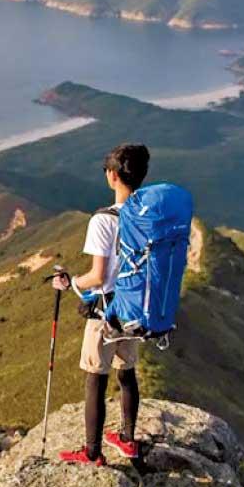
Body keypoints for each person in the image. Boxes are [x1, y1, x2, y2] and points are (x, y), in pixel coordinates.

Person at [50, 143, 150, 465]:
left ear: (113, 175)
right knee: (127, 374)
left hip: (106, 312)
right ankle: (128, 439)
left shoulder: (103, 221)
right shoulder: (148, 216)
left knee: (95, 378)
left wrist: (70, 284)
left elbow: (97, 275)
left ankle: (92, 453)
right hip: (136, 308)